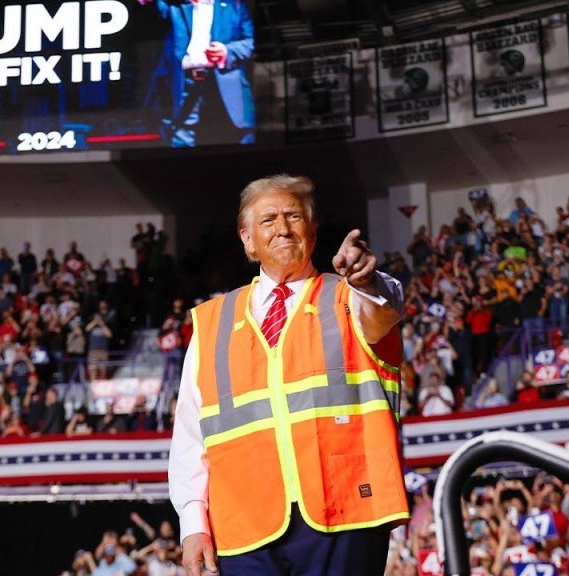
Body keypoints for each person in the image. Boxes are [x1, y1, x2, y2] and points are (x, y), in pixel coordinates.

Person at [169, 175, 407, 576]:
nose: (282, 228)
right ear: (247, 240)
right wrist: (192, 524)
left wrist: (366, 279)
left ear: (311, 231)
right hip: (243, 526)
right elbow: (190, 436)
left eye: (293, 216)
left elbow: (385, 307)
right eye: (268, 220)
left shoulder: (352, 295)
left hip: (347, 513)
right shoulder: (211, 322)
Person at [141, 0, 256, 147]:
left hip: (225, 81)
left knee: (237, 135)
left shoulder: (235, 6)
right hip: (185, 82)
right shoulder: (171, 7)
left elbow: (250, 41)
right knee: (180, 136)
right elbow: (144, 17)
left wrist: (227, 51)